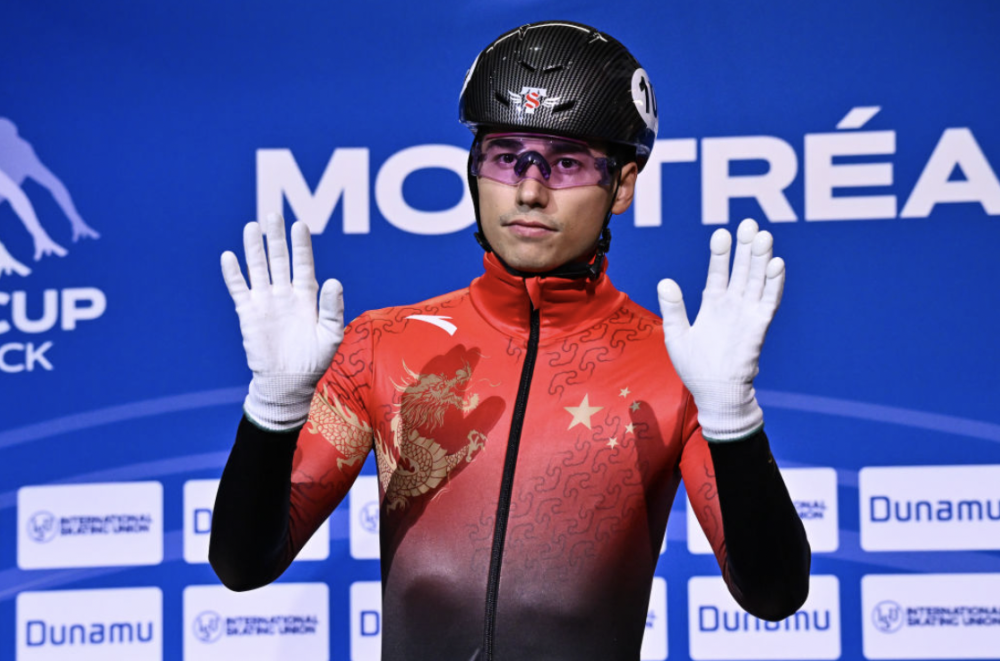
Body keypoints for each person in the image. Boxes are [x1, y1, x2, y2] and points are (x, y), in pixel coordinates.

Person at [210, 20, 810, 661]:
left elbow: (773, 594)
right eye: (505, 155)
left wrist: (731, 419)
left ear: (624, 186)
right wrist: (272, 409)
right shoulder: (382, 345)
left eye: (567, 162)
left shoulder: (677, 366)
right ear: (475, 169)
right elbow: (244, 565)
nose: (529, 189)